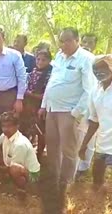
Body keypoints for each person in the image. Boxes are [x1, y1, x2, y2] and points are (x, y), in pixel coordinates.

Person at [38, 27, 95, 213]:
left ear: (76, 40)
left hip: (69, 112)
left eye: (66, 41)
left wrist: (76, 113)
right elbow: (52, 82)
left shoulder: (86, 59)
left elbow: (89, 90)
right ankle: (54, 181)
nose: (62, 45)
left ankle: (66, 184)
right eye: (60, 41)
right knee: (52, 147)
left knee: (69, 150)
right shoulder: (60, 57)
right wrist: (44, 105)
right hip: (53, 110)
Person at [0, 112, 40, 193]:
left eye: (9, 126)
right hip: (12, 165)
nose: (6, 129)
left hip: (32, 175)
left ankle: (24, 188)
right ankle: (5, 179)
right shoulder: (4, 135)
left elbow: (13, 168)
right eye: (4, 126)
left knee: (14, 169)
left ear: (17, 126)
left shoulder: (20, 144)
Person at [79, 54, 112, 193]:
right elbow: (94, 121)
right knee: (96, 180)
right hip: (103, 144)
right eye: (95, 70)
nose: (98, 73)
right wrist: (84, 145)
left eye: (102, 69)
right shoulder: (95, 91)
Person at [20, 50, 52, 162]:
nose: (40, 62)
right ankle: (27, 152)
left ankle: (39, 153)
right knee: (28, 129)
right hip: (29, 105)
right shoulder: (33, 72)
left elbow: (47, 94)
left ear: (49, 61)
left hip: (42, 106)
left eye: (43, 60)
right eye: (38, 59)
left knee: (41, 131)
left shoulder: (50, 74)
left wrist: (31, 94)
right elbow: (26, 86)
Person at [75, 33, 98, 181]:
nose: (86, 44)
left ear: (95, 45)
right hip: (80, 102)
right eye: (84, 41)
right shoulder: (80, 59)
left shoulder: (98, 61)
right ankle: (76, 165)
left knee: (90, 136)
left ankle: (84, 166)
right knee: (78, 135)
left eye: (90, 42)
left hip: (95, 103)